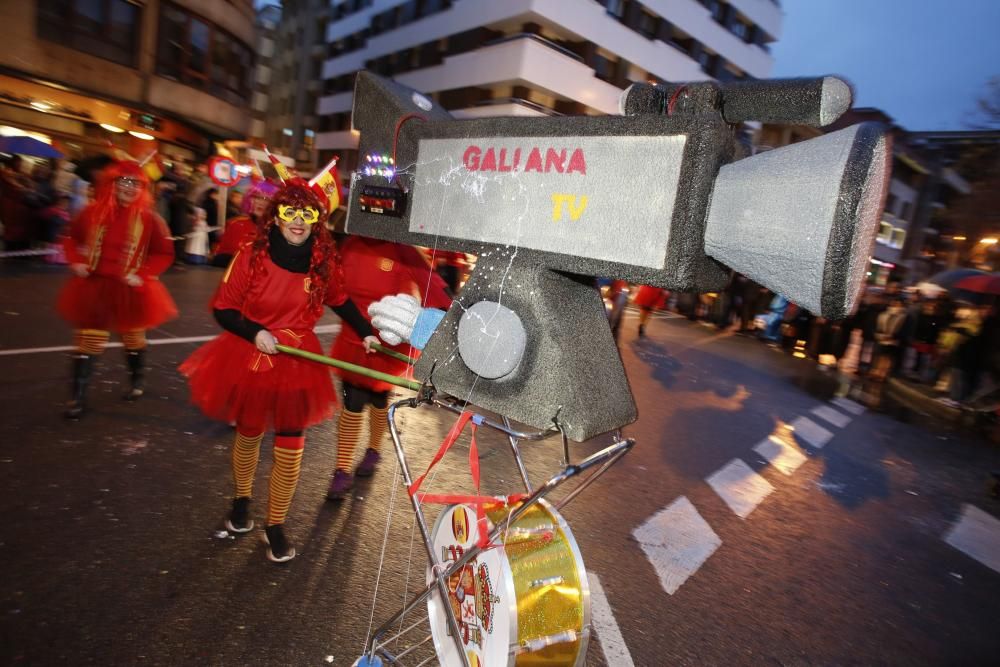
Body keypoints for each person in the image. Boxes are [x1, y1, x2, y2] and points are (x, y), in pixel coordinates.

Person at [180, 178, 377, 563]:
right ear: (276, 216)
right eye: (290, 212)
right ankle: (240, 501)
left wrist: (366, 333)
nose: (298, 221)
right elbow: (223, 308)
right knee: (250, 431)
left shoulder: (323, 262)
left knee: (291, 441)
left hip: (298, 358)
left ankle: (275, 524)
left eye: (308, 213)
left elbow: (341, 300)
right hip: (252, 353)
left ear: (318, 219)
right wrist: (255, 332)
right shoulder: (251, 255)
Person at [325, 235, 452, 500]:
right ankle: (342, 468)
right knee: (352, 399)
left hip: (387, 341)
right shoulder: (349, 244)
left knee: (378, 397)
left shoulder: (403, 249)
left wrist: (450, 321)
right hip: (353, 337)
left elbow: (432, 287)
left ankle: (373, 450)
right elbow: (332, 283)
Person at [55, 159, 177, 419]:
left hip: (129, 289)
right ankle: (77, 398)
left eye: (136, 183)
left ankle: (137, 381)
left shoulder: (149, 218)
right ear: (111, 184)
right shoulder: (91, 212)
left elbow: (163, 253)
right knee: (88, 341)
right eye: (124, 181)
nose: (129, 188)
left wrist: (143, 274)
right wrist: (75, 261)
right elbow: (70, 238)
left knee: (133, 339)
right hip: (94, 286)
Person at [211, 180, 278, 267]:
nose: (260, 202)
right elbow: (219, 259)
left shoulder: (278, 230)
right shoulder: (235, 224)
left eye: (266, 199)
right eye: (257, 197)